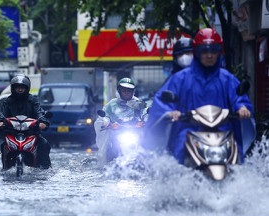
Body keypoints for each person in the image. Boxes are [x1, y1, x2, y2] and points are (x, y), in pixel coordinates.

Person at [144, 28, 255, 164]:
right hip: (187, 131)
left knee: (237, 156)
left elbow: (239, 97)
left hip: (223, 131)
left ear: (219, 52)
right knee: (179, 152)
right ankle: (176, 183)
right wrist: (170, 112)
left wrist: (242, 108)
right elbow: (162, 100)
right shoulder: (180, 79)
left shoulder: (227, 78)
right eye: (205, 51)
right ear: (197, 52)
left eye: (213, 51)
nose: (209, 55)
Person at [0, 74, 51, 169]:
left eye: (22, 88)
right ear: (13, 88)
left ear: (27, 88)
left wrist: (42, 122)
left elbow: (39, 112)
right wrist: (0, 122)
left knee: (44, 144)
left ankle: (45, 167)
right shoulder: (7, 102)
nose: (20, 90)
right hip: (12, 132)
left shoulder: (33, 100)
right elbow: (1, 113)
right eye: (17, 88)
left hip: (31, 132)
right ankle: (5, 168)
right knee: (3, 145)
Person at [93, 78, 148, 163]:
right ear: (119, 91)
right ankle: (104, 161)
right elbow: (105, 115)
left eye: (129, 90)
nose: (126, 92)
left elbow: (146, 113)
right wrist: (106, 121)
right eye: (124, 90)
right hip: (116, 132)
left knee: (146, 144)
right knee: (107, 145)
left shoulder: (138, 103)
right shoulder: (112, 104)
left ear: (133, 91)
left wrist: (145, 120)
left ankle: (147, 162)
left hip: (136, 131)